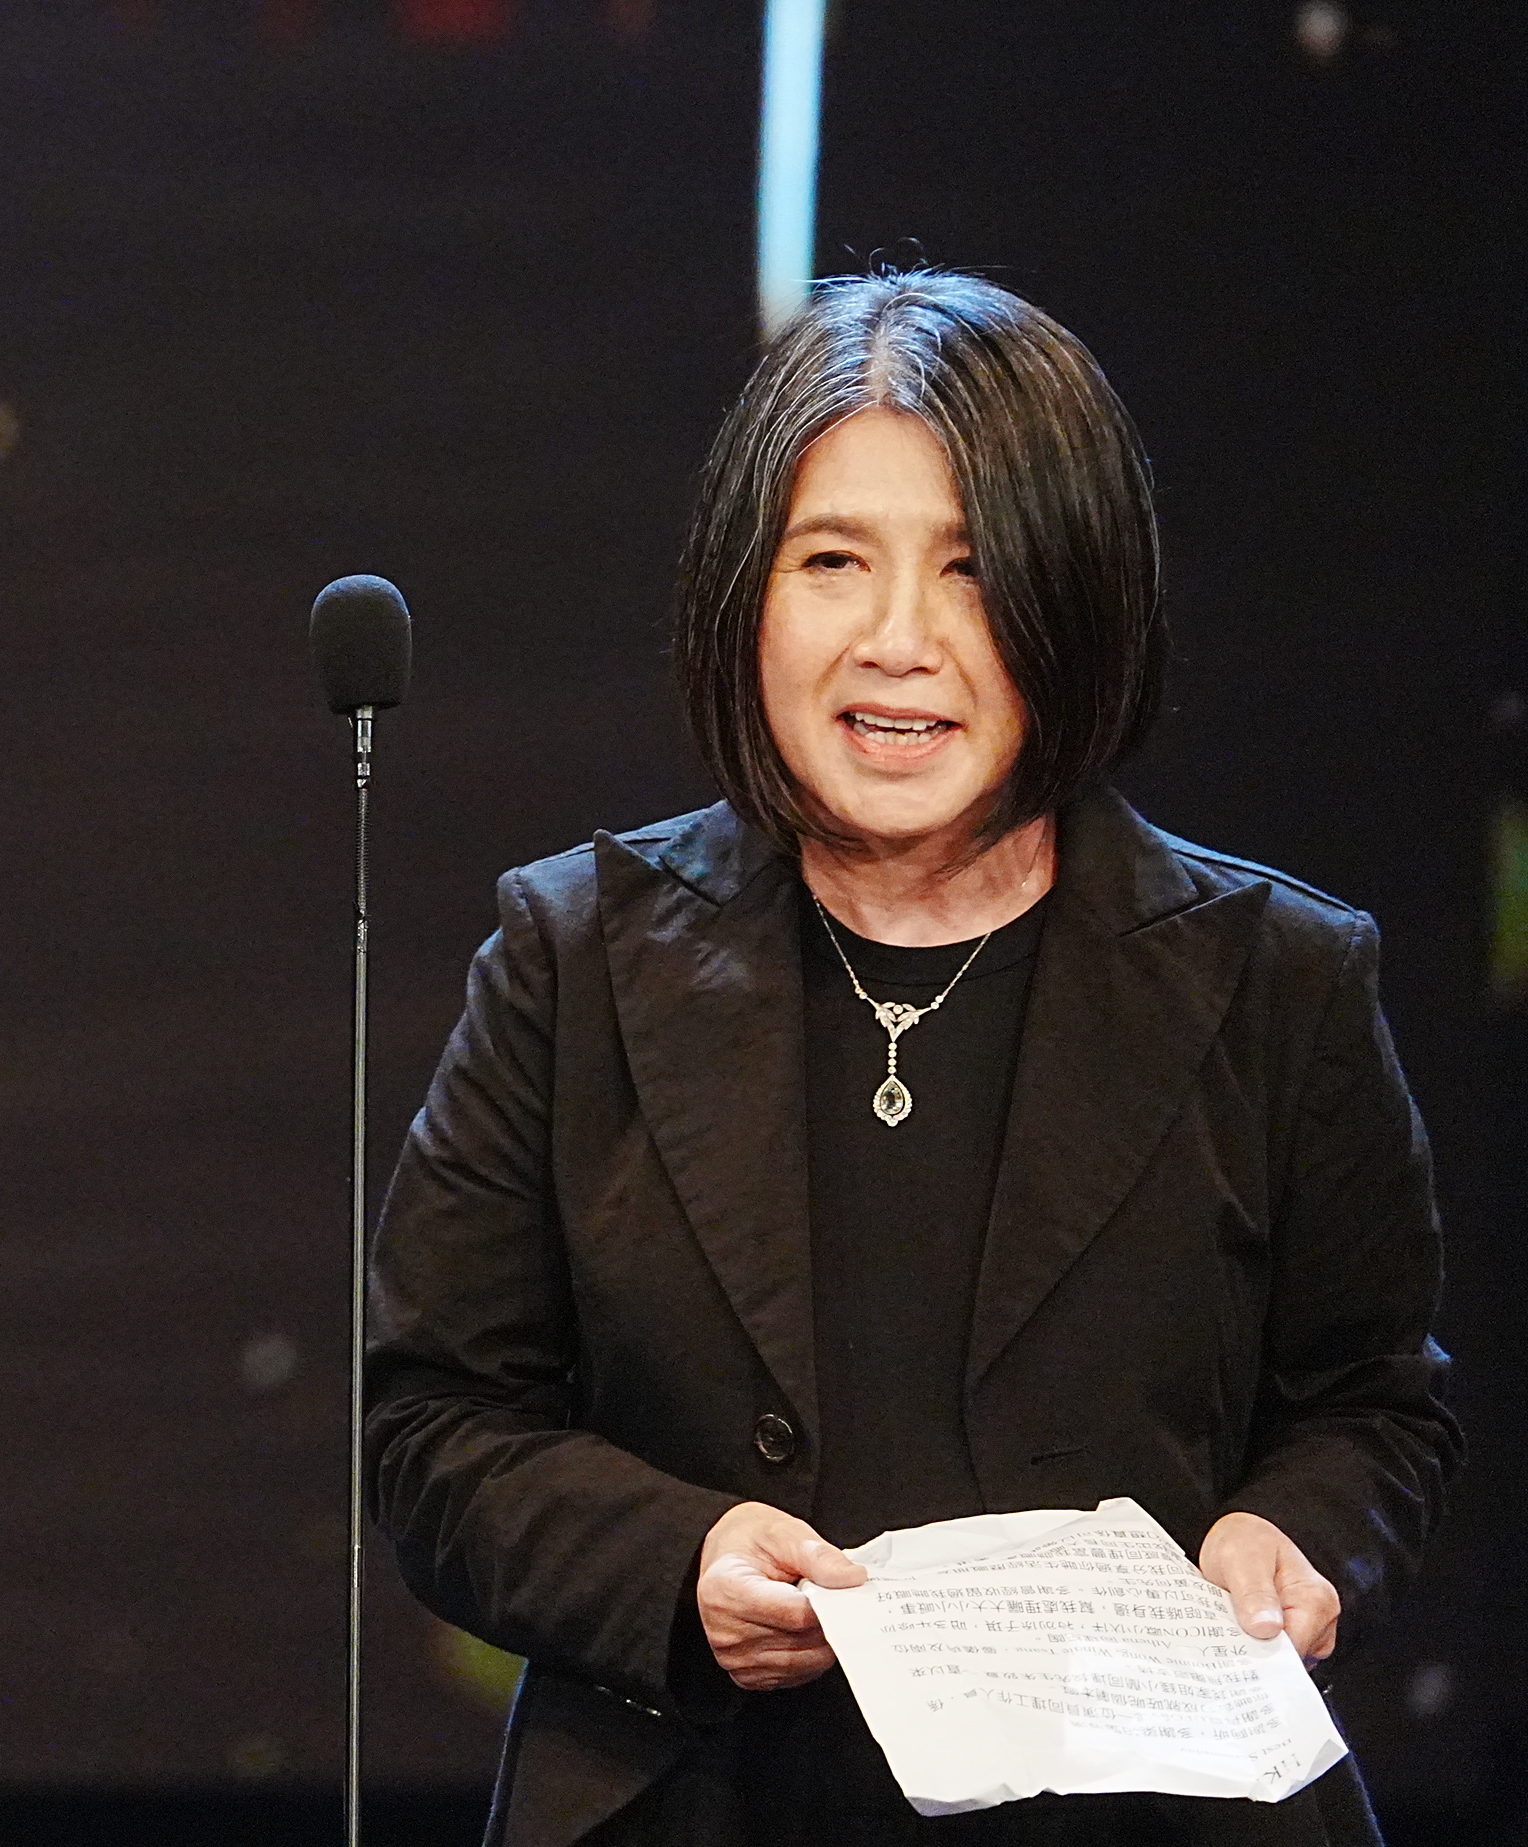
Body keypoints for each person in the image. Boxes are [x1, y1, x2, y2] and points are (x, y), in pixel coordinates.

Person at [365, 273, 1455, 1845]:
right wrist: (678, 1566)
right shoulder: (574, 958)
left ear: (1079, 604)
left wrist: (1295, 1534)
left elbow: (1377, 1404)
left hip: (1148, 1808)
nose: (898, 642)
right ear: (745, 596)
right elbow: (434, 1427)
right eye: (833, 562)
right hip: (701, 1804)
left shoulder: (1276, 977)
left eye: (973, 570)